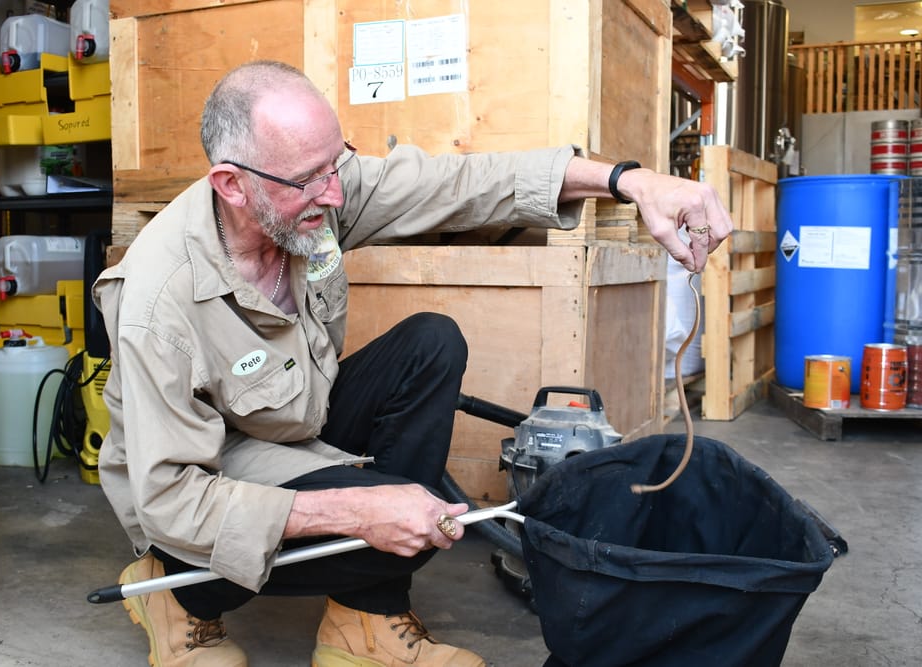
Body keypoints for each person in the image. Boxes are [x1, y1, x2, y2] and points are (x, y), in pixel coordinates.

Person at [92, 59, 732, 667]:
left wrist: (630, 181)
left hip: (292, 416)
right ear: (233, 185)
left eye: (335, 165)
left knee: (432, 342)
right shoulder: (156, 301)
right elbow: (170, 498)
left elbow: (461, 185)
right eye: (311, 180)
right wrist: (358, 514)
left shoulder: (311, 195)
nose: (337, 193)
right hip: (203, 477)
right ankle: (177, 593)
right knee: (385, 514)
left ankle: (365, 617)